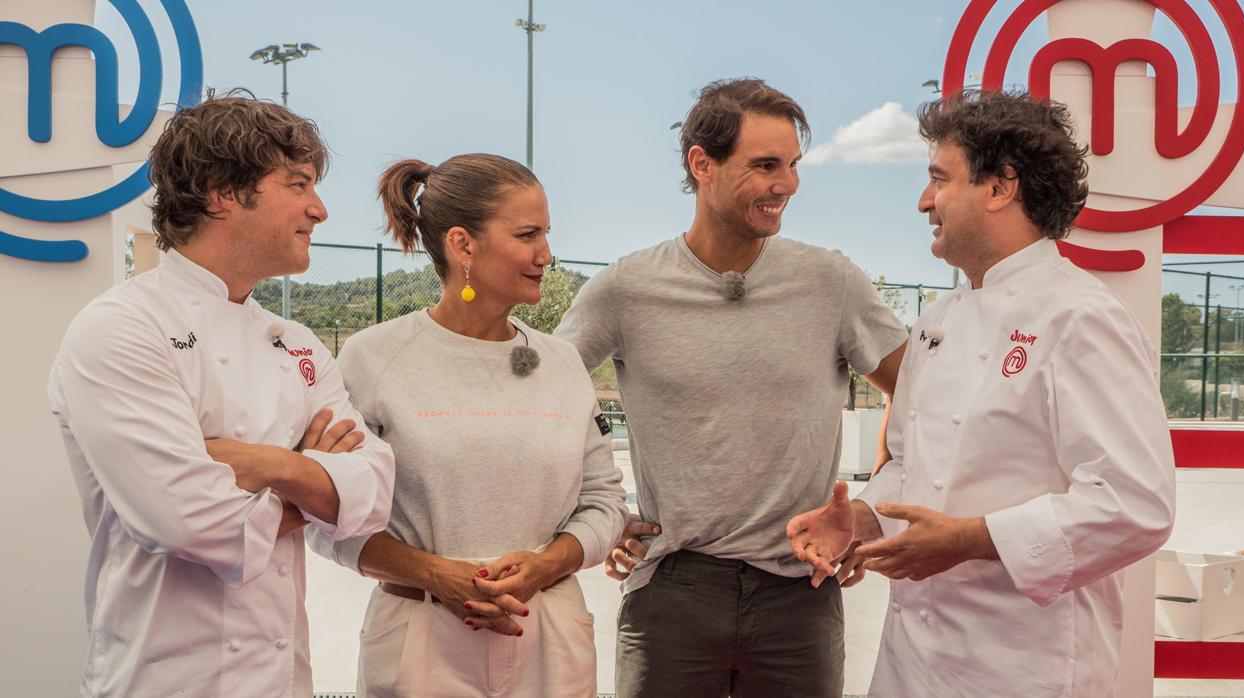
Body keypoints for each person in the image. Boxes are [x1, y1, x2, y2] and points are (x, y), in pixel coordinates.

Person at [786, 90, 1177, 696]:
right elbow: (913, 463)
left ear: (1000, 188)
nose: (923, 202)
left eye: (938, 180)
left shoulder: (1082, 317)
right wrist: (862, 517)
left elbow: (1134, 503)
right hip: (913, 661)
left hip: (1026, 664)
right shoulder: (936, 319)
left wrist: (967, 540)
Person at [555, 78, 908, 697]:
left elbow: (928, 399)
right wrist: (598, 516)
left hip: (802, 591)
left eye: (794, 165)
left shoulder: (832, 281)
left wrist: (870, 512)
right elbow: (540, 408)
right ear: (703, 164)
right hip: (670, 592)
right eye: (766, 165)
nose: (788, 185)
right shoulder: (624, 289)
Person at [46, 93, 396, 697]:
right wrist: (316, 484)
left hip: (284, 680)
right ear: (221, 191)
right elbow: (190, 522)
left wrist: (265, 464)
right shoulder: (121, 327)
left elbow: (374, 491)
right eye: (298, 184)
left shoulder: (300, 343)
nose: (319, 210)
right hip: (163, 679)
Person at [310, 153, 628, 697]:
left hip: (549, 638)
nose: (547, 254)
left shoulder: (562, 362)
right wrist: (435, 575)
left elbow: (605, 503)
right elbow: (327, 518)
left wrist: (546, 565)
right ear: (463, 245)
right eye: (527, 235)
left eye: (547, 234)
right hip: (421, 644)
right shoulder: (373, 358)